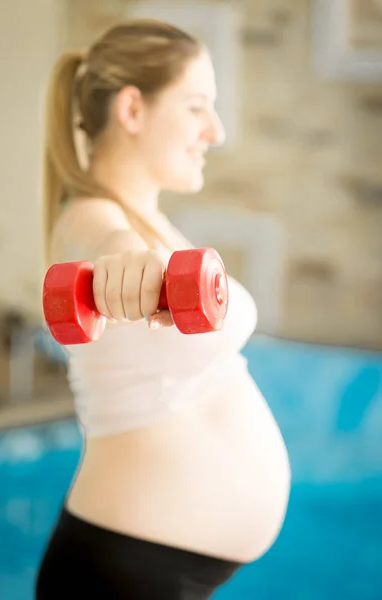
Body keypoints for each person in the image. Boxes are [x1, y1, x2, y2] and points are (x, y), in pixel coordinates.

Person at [36, 18, 291, 600]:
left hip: (146, 566)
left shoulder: (148, 220)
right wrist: (129, 262)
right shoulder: (93, 222)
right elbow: (109, 252)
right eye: (198, 106)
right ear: (132, 110)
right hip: (121, 570)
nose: (216, 131)